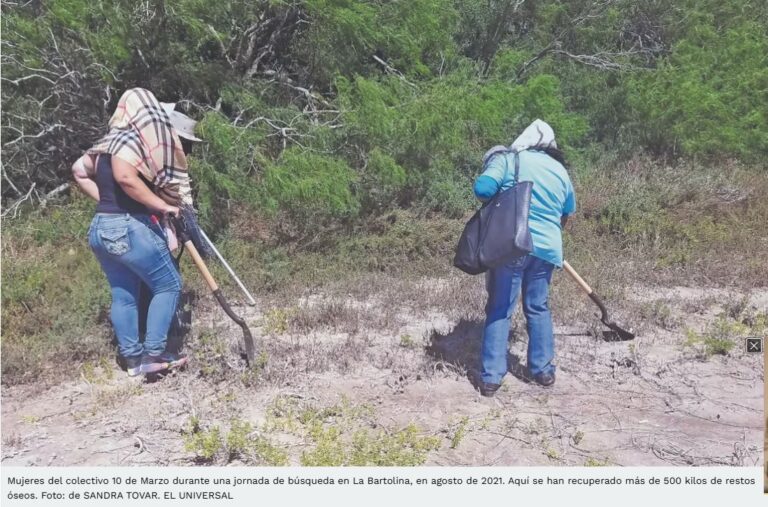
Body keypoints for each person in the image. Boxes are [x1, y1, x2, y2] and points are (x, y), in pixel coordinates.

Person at [71, 88, 202, 377]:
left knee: (124, 294)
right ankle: (153, 354)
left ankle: (132, 360)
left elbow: (78, 171)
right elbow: (125, 178)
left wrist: (106, 202)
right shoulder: (129, 141)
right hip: (127, 227)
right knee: (169, 285)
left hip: (101, 227)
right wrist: (163, 207)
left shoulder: (104, 145)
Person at [473, 119, 576, 396]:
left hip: (513, 246)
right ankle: (543, 372)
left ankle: (492, 377)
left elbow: (482, 189)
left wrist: (495, 172)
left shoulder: (510, 160)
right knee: (538, 307)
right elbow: (568, 210)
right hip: (548, 250)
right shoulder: (561, 171)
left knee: (500, 308)